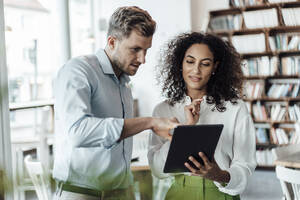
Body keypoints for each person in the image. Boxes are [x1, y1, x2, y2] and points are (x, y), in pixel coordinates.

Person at [52, 6, 179, 200]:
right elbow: (78, 132)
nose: (142, 59)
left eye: (146, 50)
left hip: (121, 192)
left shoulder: (124, 84)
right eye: (135, 49)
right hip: (81, 194)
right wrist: (150, 122)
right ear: (112, 42)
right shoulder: (78, 71)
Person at [148, 32, 257, 200]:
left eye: (205, 64)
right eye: (190, 61)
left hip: (222, 193)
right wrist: (185, 130)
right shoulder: (163, 110)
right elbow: (157, 170)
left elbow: (245, 163)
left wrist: (219, 175)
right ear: (180, 63)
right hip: (180, 193)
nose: (196, 70)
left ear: (215, 67)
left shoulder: (235, 108)